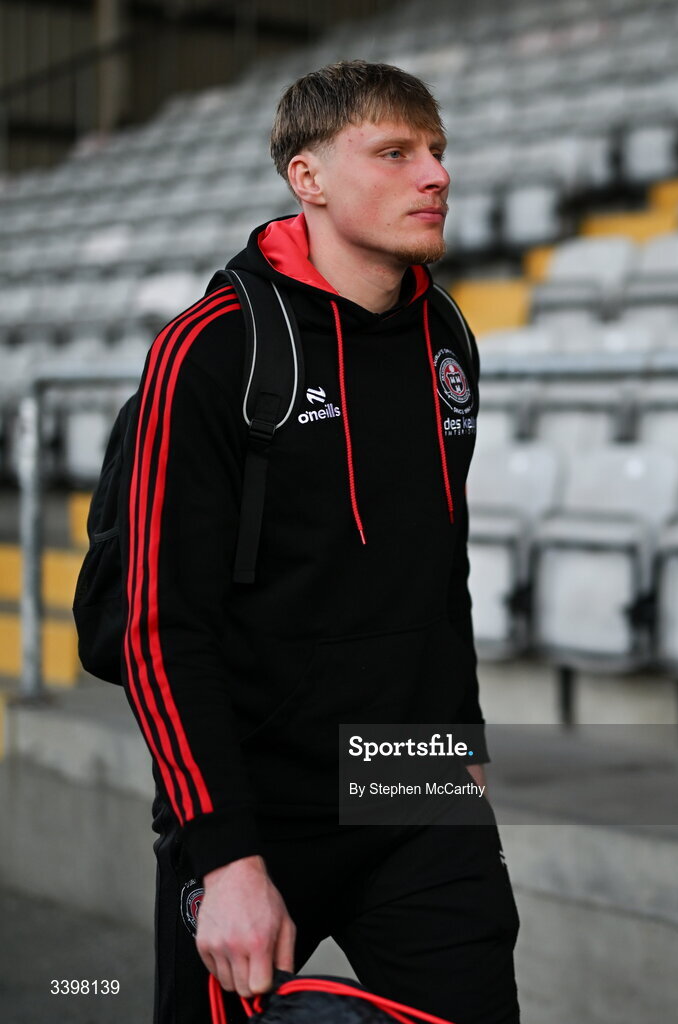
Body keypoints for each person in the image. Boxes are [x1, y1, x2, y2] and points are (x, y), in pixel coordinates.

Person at [120, 59, 520, 1024]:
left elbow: (435, 566)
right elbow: (157, 627)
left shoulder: (446, 338)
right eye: (395, 152)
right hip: (255, 797)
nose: (436, 175)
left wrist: (456, 743)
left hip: (413, 778)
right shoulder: (212, 349)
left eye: (438, 151)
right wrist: (225, 852)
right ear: (309, 179)